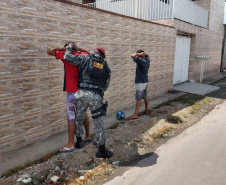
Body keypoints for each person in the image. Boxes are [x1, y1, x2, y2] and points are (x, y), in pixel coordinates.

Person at [64, 43, 113, 158]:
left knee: (79, 117)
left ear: (94, 52)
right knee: (98, 122)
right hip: (96, 95)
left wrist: (70, 47)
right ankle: (102, 151)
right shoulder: (105, 66)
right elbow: (106, 85)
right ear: (103, 56)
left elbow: (67, 57)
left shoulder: (85, 57)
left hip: (81, 93)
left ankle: (79, 141)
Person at [47, 43, 92, 153]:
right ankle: (88, 136)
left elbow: (50, 51)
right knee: (83, 113)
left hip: (72, 92)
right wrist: (78, 48)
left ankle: (71, 144)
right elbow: (90, 54)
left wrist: (64, 49)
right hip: (83, 90)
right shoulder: (82, 54)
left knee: (71, 117)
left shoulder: (66, 55)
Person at [129, 49, 150, 120]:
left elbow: (132, 56)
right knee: (145, 96)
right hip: (146, 81)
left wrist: (137, 54)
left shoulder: (141, 61)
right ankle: (146, 110)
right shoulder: (147, 59)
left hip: (141, 82)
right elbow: (146, 54)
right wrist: (142, 54)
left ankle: (135, 114)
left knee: (138, 98)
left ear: (140, 55)